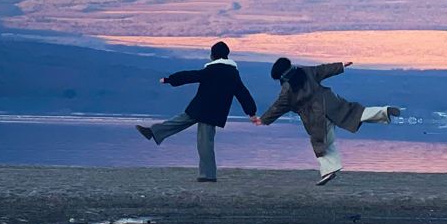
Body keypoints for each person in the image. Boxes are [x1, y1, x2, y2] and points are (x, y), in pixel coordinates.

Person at [258, 57, 399, 185]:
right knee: (356, 113)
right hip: (330, 102)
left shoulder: (287, 91)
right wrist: (341, 65)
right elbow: (324, 69)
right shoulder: (306, 72)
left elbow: (277, 108)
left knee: (321, 142)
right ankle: (385, 111)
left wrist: (263, 120)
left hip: (315, 116)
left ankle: (329, 170)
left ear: (282, 77)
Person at [136, 41, 260, 182]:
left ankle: (208, 175)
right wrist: (251, 112)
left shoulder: (211, 70)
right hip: (213, 111)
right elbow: (243, 93)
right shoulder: (233, 74)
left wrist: (170, 79)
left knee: (201, 140)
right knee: (196, 135)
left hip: (203, 109)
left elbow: (191, 76)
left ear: (213, 55)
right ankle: (153, 132)